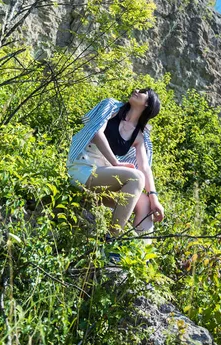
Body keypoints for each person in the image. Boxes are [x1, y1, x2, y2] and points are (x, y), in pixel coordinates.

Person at [66, 88, 165, 241]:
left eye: (143, 91)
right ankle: (112, 239)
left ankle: (142, 257)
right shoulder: (111, 107)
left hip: (103, 177)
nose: (137, 90)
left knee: (145, 202)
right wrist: (116, 163)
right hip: (83, 168)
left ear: (148, 104)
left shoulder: (139, 136)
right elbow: (97, 133)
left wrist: (154, 198)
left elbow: (145, 167)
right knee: (136, 177)